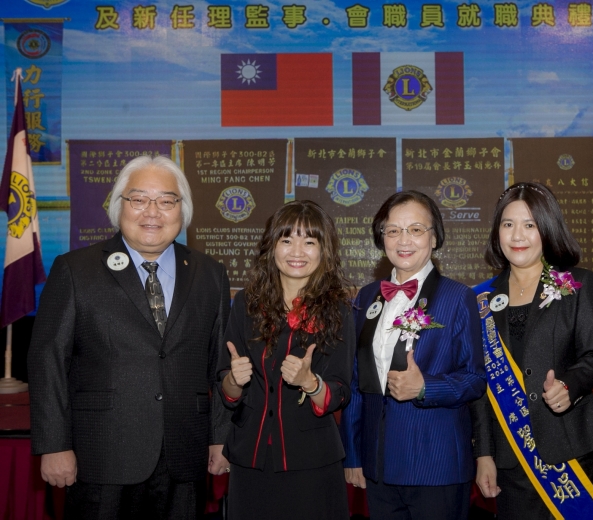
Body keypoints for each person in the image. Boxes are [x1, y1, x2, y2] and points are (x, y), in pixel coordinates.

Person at [28, 155, 232, 519]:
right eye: (139, 199)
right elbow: (48, 360)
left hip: (184, 455)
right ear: (119, 206)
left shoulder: (210, 274)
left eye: (166, 201)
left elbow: (221, 365)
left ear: (182, 210)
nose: (152, 212)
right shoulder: (75, 269)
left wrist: (220, 437)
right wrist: (54, 444)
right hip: (101, 455)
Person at [470, 182, 593, 519]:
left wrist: (569, 386)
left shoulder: (577, 284)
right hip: (510, 456)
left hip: (571, 449)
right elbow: (479, 386)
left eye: (530, 225)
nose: (517, 235)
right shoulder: (480, 299)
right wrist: (484, 454)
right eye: (508, 224)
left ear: (547, 229)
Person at [340, 190, 486, 520]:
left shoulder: (458, 297)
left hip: (436, 466)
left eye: (416, 229)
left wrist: (424, 388)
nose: (404, 240)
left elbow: (475, 379)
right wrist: (353, 454)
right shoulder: (366, 297)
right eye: (393, 230)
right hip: (378, 466)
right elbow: (355, 381)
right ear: (382, 238)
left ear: (434, 238)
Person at [218, 200, 355, 520]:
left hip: (311, 461)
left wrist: (311, 383)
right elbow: (226, 389)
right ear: (272, 246)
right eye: (287, 239)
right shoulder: (246, 303)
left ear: (324, 251)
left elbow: (341, 392)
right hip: (250, 457)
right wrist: (234, 380)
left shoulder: (338, 310)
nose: (297, 251)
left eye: (309, 242)